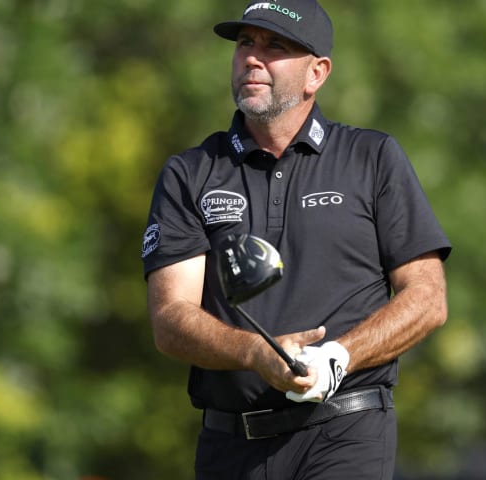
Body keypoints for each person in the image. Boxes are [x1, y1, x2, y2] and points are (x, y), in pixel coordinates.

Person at [141, 1, 451, 478]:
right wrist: (254, 353)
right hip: (231, 444)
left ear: (316, 73)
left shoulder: (372, 158)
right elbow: (170, 318)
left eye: (275, 46)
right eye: (246, 43)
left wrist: (340, 357)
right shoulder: (191, 173)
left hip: (345, 433)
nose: (252, 58)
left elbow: (428, 298)